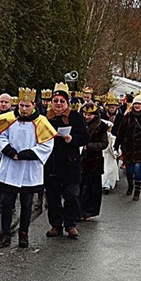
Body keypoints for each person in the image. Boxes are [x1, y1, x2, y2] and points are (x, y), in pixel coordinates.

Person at [0, 88, 55, 248]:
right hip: (10, 167)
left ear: (33, 105)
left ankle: (23, 233)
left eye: (27, 106)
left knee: (26, 203)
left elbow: (47, 144)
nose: (24, 109)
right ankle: (5, 233)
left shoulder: (41, 122)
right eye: (22, 106)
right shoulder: (9, 119)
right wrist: (8, 150)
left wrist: (27, 154)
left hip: (29, 169)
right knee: (6, 202)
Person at [44, 83, 90, 239]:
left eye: (61, 101)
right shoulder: (45, 117)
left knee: (71, 195)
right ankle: (56, 225)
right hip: (51, 163)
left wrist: (73, 139)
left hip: (70, 163)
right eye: (55, 101)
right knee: (53, 197)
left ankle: (70, 224)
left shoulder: (75, 117)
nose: (58, 104)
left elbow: (85, 137)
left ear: (67, 103)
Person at [115, 95, 141, 201]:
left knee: (138, 169)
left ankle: (137, 192)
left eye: (139, 104)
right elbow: (121, 132)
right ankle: (130, 185)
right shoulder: (127, 116)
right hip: (128, 147)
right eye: (135, 104)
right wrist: (117, 144)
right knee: (129, 170)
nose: (137, 106)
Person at [79, 103, 109, 220]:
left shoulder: (101, 126)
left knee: (92, 188)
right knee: (80, 187)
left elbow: (104, 144)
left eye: (90, 115)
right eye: (85, 114)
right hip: (80, 159)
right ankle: (78, 210)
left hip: (94, 160)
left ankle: (89, 211)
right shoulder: (79, 123)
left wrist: (89, 146)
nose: (87, 117)